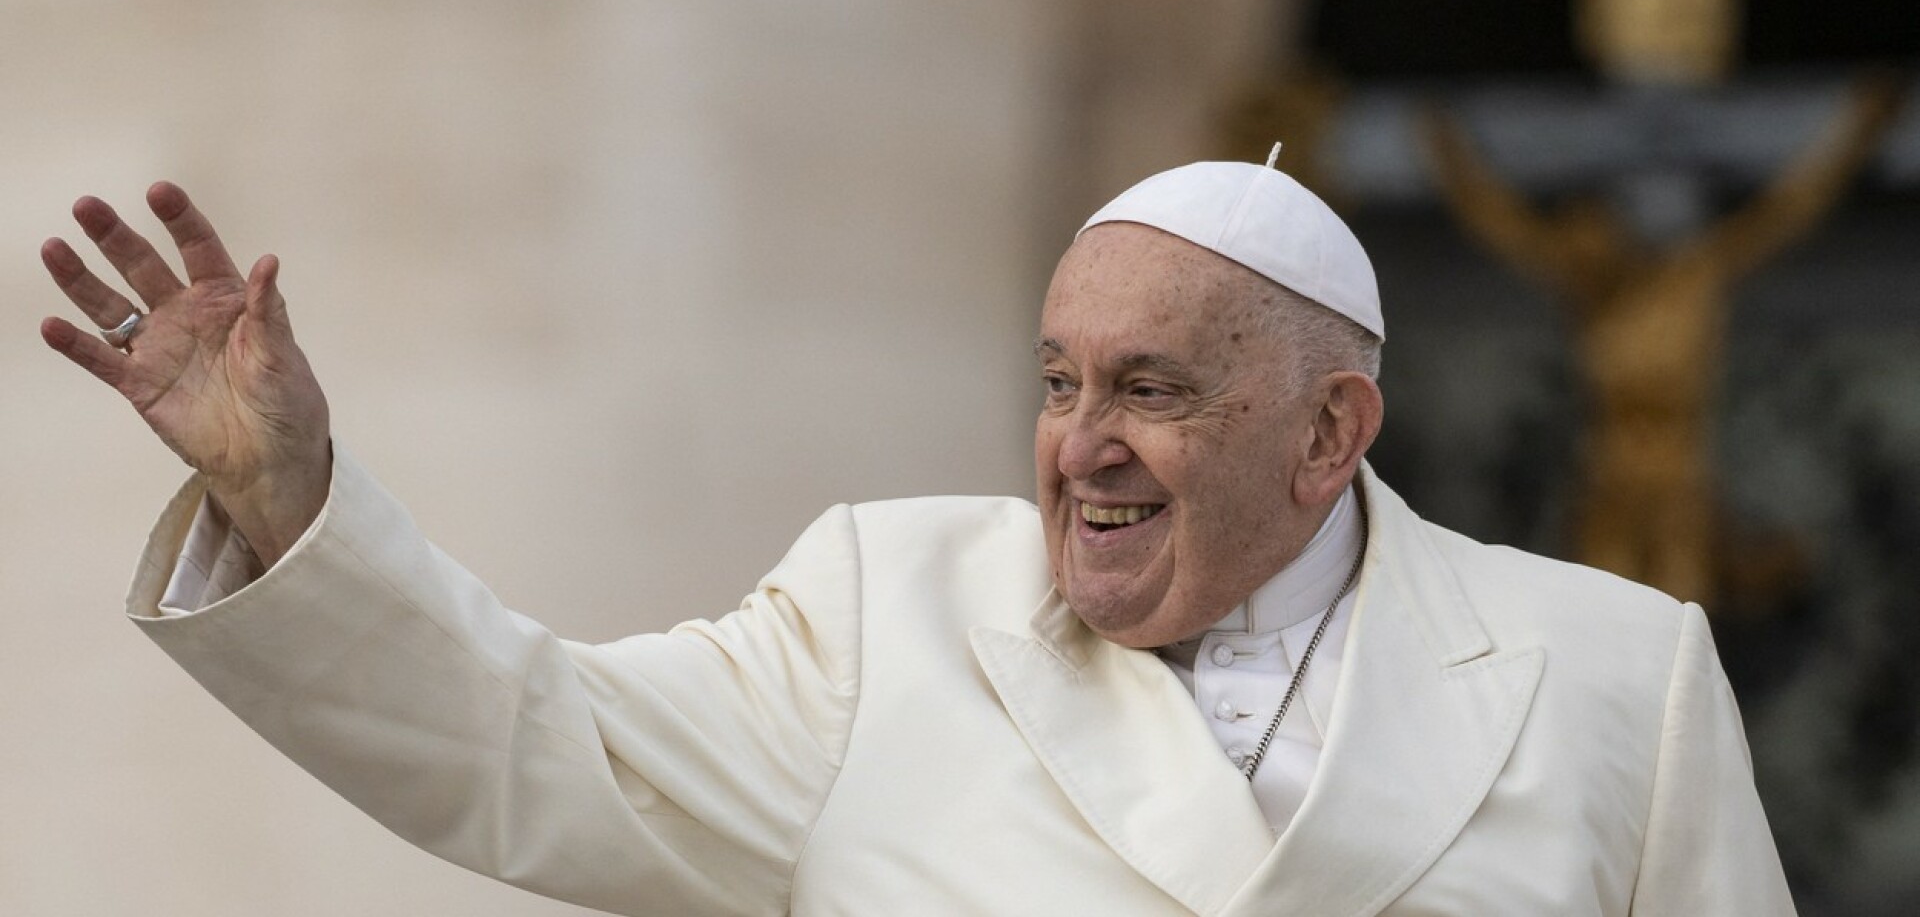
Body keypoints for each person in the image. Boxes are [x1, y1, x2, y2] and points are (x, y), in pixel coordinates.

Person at [42, 160, 1795, 915]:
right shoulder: (888, 610)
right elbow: (529, 739)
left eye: (1153, 390)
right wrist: (285, 490)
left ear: (1330, 433)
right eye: (1056, 380)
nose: (1077, 450)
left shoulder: (1612, 677)